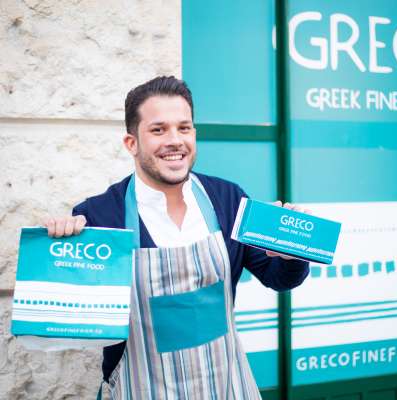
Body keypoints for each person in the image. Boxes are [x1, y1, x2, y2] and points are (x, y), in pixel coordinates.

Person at [45, 76, 309, 399]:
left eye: (184, 128)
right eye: (158, 130)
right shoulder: (99, 215)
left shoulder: (228, 198)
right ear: (131, 143)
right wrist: (60, 253)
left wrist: (291, 254)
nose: (175, 141)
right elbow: (76, 321)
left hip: (226, 387)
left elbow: (278, 278)